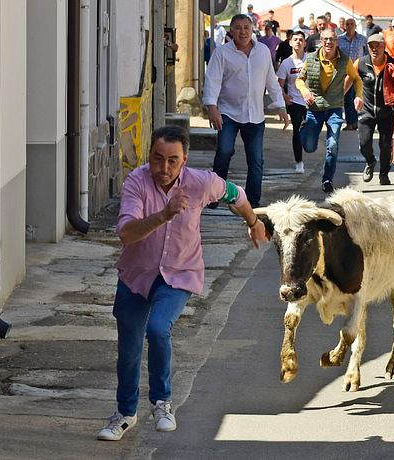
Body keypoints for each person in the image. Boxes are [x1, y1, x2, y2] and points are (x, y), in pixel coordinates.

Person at [96, 125, 268, 441]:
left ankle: (162, 404)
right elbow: (126, 233)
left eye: (173, 161)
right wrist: (164, 214)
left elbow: (236, 194)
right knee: (129, 348)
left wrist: (254, 223)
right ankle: (125, 414)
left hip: (179, 273)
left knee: (159, 328)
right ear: (149, 156)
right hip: (136, 274)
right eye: (158, 159)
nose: (164, 168)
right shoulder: (136, 182)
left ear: (184, 160)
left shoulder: (201, 183)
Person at [203, 14, 289, 209]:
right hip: (227, 113)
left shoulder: (263, 52)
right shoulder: (222, 53)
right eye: (238, 28)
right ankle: (215, 195)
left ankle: (252, 202)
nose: (242, 31)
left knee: (256, 160)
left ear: (252, 30)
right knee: (224, 152)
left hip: (255, 115)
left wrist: (280, 106)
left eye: (246, 28)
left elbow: (271, 80)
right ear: (231, 31)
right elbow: (212, 81)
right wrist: (212, 107)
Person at [296, 28, 364, 193]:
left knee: (332, 145)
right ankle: (304, 129)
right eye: (325, 39)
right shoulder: (311, 59)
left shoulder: (344, 60)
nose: (328, 42)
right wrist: (305, 92)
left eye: (332, 39)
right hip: (315, 109)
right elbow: (299, 80)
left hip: (334, 109)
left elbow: (356, 78)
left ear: (336, 41)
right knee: (310, 147)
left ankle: (327, 179)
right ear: (321, 40)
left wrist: (359, 96)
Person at [356, 34, 394, 186]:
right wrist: (351, 97)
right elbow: (350, 81)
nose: (374, 49)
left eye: (378, 45)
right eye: (371, 46)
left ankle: (384, 173)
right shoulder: (361, 63)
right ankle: (370, 161)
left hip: (387, 111)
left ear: (384, 47)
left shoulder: (393, 64)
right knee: (364, 142)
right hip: (366, 110)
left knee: (386, 145)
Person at [277, 30, 308, 174]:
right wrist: (284, 96)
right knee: (297, 130)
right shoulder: (286, 63)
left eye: (301, 39)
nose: (298, 42)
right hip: (294, 102)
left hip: (310, 101)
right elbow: (279, 84)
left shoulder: (311, 60)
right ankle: (299, 162)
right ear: (290, 42)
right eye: (295, 39)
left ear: (305, 43)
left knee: (309, 132)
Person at [338, 17, 368, 131]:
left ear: (355, 26)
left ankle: (356, 122)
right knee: (347, 98)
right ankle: (350, 123)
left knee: (358, 96)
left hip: (358, 72)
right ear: (344, 26)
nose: (350, 26)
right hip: (344, 72)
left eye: (352, 24)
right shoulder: (339, 39)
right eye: (348, 24)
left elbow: (366, 55)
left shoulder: (362, 39)